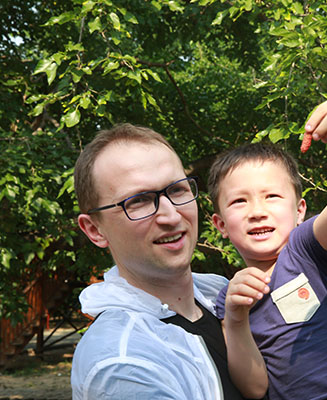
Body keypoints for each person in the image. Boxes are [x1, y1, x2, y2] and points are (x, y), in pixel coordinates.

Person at [71, 123, 268, 399]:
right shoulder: (122, 361)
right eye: (138, 200)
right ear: (94, 230)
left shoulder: (220, 294)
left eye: (177, 190)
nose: (172, 216)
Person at [208, 97, 327, 399]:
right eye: (239, 201)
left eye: (272, 196)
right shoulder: (230, 298)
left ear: (299, 210)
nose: (257, 211)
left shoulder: (305, 250)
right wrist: (236, 319)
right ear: (220, 224)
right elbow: (256, 387)